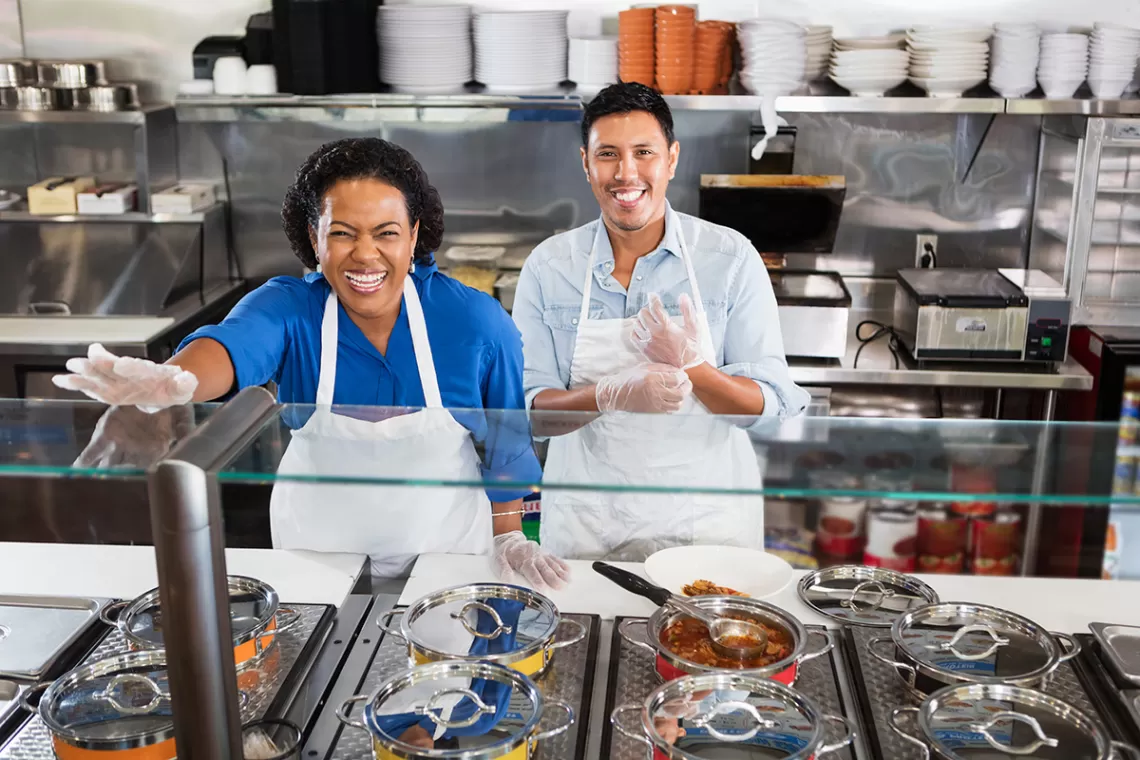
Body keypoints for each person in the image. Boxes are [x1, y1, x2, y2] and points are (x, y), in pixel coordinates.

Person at [54, 137, 569, 589]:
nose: (365, 254)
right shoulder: (289, 309)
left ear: (414, 236)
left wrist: (509, 536)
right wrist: (175, 380)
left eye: (386, 233)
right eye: (342, 233)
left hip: (445, 555)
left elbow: (507, 447)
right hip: (315, 557)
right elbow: (232, 347)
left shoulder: (475, 323)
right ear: (314, 238)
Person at [512, 83, 809, 561]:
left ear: (671, 159)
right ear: (586, 163)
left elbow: (769, 412)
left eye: (643, 152)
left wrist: (694, 368)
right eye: (608, 154)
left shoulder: (730, 259)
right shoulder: (549, 267)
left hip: (707, 525)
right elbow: (531, 416)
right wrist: (609, 394)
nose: (625, 173)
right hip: (588, 528)